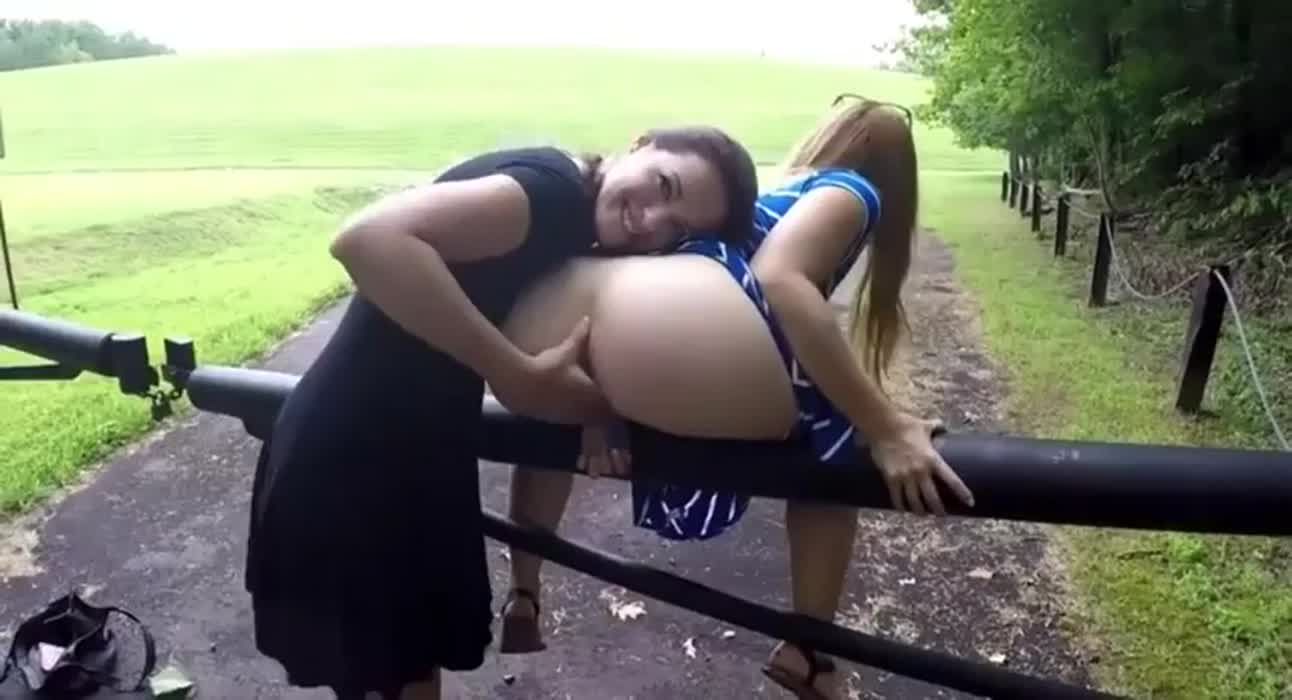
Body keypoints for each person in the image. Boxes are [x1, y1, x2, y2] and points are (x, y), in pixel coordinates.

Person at [243, 127, 760, 700]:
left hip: (394, 454)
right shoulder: (550, 193)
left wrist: (595, 408)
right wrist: (511, 371)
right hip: (358, 465)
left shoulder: (573, 217)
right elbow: (367, 239)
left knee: (398, 679)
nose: (652, 220)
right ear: (640, 145)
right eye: (664, 185)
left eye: (678, 229)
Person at [493, 96, 976, 700]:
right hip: (704, 312)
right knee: (834, 439)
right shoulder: (850, 191)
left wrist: (599, 406)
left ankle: (525, 586)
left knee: (553, 425)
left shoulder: (769, 189)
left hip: (589, 309)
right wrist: (884, 426)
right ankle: (810, 648)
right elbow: (780, 279)